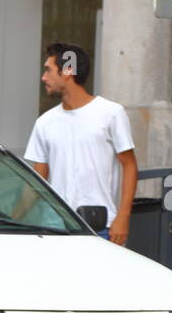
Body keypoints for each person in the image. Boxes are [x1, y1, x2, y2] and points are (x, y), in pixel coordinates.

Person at [24, 42, 137, 245]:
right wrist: (17, 220)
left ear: (68, 70)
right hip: (56, 229)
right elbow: (36, 182)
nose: (43, 77)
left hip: (102, 228)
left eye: (48, 70)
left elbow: (129, 165)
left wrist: (123, 218)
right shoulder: (44, 123)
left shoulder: (111, 113)